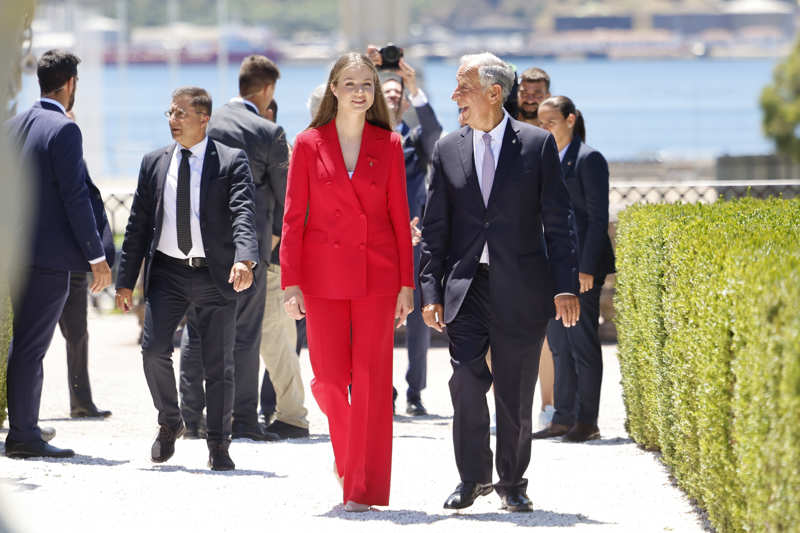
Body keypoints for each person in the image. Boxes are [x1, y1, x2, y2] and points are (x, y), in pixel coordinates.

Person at [418, 52, 579, 512]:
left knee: (514, 387)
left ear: (493, 93)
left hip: (522, 287)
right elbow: (434, 230)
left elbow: (558, 220)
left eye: (462, 87)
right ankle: (472, 478)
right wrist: (430, 291)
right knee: (466, 381)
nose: (454, 96)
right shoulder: (447, 147)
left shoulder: (536, 144)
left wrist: (564, 284)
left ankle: (512, 481)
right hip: (465, 287)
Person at [281, 52, 414, 512]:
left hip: (378, 278)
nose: (361, 92)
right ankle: (350, 458)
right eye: (351, 83)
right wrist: (291, 282)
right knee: (331, 382)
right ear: (333, 88)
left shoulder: (390, 144)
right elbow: (294, 217)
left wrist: (406, 284)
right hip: (322, 280)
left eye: (368, 85)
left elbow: (399, 217)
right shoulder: (307, 143)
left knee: (374, 384)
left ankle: (363, 487)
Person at [115, 86, 258, 471]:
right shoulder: (153, 163)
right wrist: (125, 280)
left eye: (181, 113)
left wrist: (245, 259)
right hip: (168, 273)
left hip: (214, 275)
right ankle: (170, 420)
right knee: (153, 350)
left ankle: (218, 445)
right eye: (171, 113)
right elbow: (137, 225)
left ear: (203, 118)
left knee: (218, 366)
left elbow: (244, 213)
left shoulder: (230, 161)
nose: (173, 120)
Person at [4, 49, 114, 458]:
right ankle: (24, 436)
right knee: (31, 347)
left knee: (24, 344)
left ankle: (23, 427)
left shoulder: (14, 125)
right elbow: (75, 197)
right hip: (49, 259)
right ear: (70, 84)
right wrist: (96, 256)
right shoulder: (64, 129)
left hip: (17, 254)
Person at [177, 55, 286, 442]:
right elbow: (285, 198)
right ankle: (241, 419)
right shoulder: (267, 132)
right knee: (244, 332)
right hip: (247, 247)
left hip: (198, 244)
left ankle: (191, 418)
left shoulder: (205, 122)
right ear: (267, 90)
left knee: (196, 328)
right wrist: (271, 239)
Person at [532, 96, 615, 443]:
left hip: (582, 269)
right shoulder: (547, 158)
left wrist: (585, 269)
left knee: (582, 343)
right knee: (559, 343)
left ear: (570, 119)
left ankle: (587, 419)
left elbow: (597, 220)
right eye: (541, 123)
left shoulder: (588, 158)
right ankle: (563, 417)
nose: (545, 128)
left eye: (551, 121)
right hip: (553, 268)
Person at [369, 46, 443, 416]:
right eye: (388, 92)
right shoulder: (365, 137)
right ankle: (383, 388)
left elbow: (435, 133)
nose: (394, 96)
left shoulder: (415, 139)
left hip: (413, 239)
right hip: (376, 242)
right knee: (376, 320)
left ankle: (415, 391)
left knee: (418, 319)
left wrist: (413, 86)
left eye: (399, 93)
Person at [58, 270, 112, 419]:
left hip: (75, 271)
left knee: (78, 336)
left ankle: (81, 403)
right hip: (41, 268)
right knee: (29, 340)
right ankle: (20, 407)